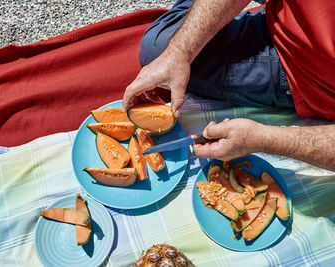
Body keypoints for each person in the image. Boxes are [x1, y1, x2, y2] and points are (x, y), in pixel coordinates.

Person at [122, 0, 335, 171]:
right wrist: (179, 52)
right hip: (281, 32)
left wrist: (263, 139)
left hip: (313, 90)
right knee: (159, 49)